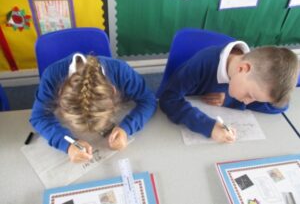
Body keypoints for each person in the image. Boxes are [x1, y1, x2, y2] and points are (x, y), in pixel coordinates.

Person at [159, 41, 299, 143]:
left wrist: (230, 100)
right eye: (249, 96)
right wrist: (208, 126)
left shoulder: (252, 79)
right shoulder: (203, 62)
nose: (246, 101)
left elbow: (279, 106)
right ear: (243, 69)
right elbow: (169, 99)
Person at [30, 53, 157, 162]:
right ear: (60, 94)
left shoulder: (121, 71)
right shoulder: (51, 77)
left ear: (114, 92)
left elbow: (148, 100)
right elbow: (39, 116)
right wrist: (67, 145)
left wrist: (126, 128)